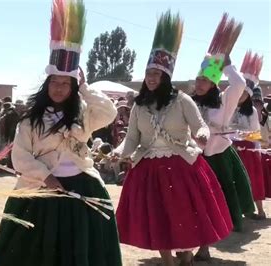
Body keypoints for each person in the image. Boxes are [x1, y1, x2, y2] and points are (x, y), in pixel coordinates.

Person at [0, 1, 122, 265]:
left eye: (66, 83)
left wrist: (85, 88)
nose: (59, 88)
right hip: (41, 189)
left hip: (81, 186)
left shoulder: (84, 112)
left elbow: (109, 113)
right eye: (55, 82)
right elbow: (21, 157)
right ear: (46, 84)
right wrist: (45, 177)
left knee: (79, 247)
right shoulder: (30, 119)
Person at [113, 11, 232, 266]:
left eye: (156, 74)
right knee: (156, 218)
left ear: (166, 77)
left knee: (185, 216)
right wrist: (118, 151)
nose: (151, 78)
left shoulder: (182, 100)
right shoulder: (139, 106)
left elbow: (199, 125)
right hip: (148, 169)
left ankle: (187, 254)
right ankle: (167, 259)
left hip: (181, 165)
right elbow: (132, 139)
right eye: (148, 74)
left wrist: (201, 134)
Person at [192, 52, 256, 260]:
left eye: (206, 80)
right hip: (194, 158)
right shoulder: (188, 103)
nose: (200, 83)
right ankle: (197, 245)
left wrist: (227, 65)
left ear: (213, 84)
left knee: (217, 200)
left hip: (218, 156)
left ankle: (205, 246)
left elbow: (238, 84)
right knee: (195, 202)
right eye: (198, 79)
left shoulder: (223, 101)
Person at [231, 59, 267, 220]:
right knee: (236, 180)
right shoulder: (231, 108)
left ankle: (260, 210)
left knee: (253, 178)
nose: (240, 96)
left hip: (249, 151)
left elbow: (255, 133)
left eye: (244, 93)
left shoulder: (252, 111)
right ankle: (240, 210)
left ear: (249, 95)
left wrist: (239, 135)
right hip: (234, 148)